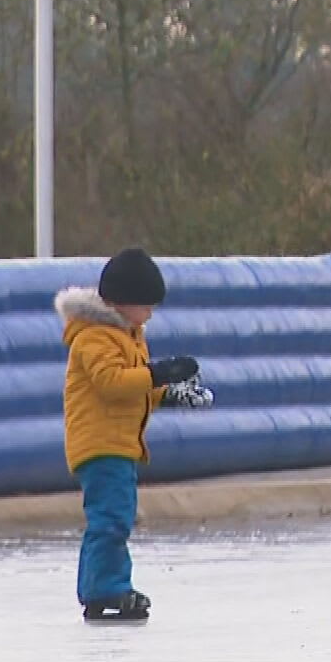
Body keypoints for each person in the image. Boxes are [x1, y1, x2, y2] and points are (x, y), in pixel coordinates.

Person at [55, 247, 212, 623]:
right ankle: (107, 587)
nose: (151, 314)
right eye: (146, 305)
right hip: (99, 444)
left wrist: (169, 394)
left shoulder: (129, 335)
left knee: (114, 516)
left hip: (119, 443)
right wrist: (160, 374)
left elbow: (135, 386)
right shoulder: (94, 337)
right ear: (122, 303)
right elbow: (112, 384)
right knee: (111, 517)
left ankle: (99, 587)